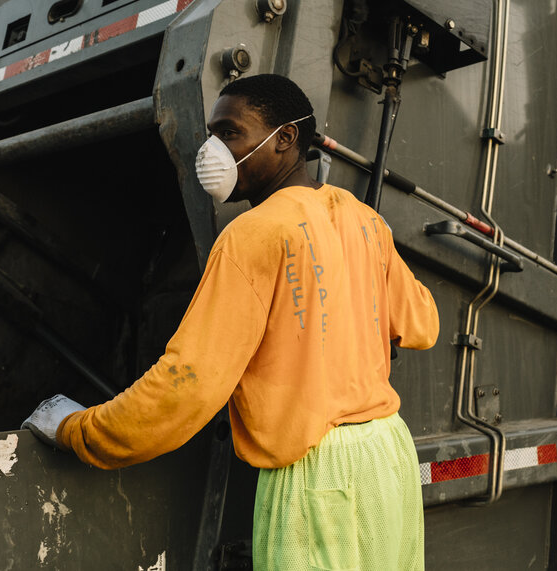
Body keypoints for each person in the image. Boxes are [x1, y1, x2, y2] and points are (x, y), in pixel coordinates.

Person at [24, 74, 439, 570]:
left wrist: (78, 429)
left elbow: (187, 388)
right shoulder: (361, 219)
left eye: (230, 133)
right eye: (212, 134)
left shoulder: (253, 233)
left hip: (318, 480)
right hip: (387, 461)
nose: (212, 151)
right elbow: (422, 324)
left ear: (285, 139)